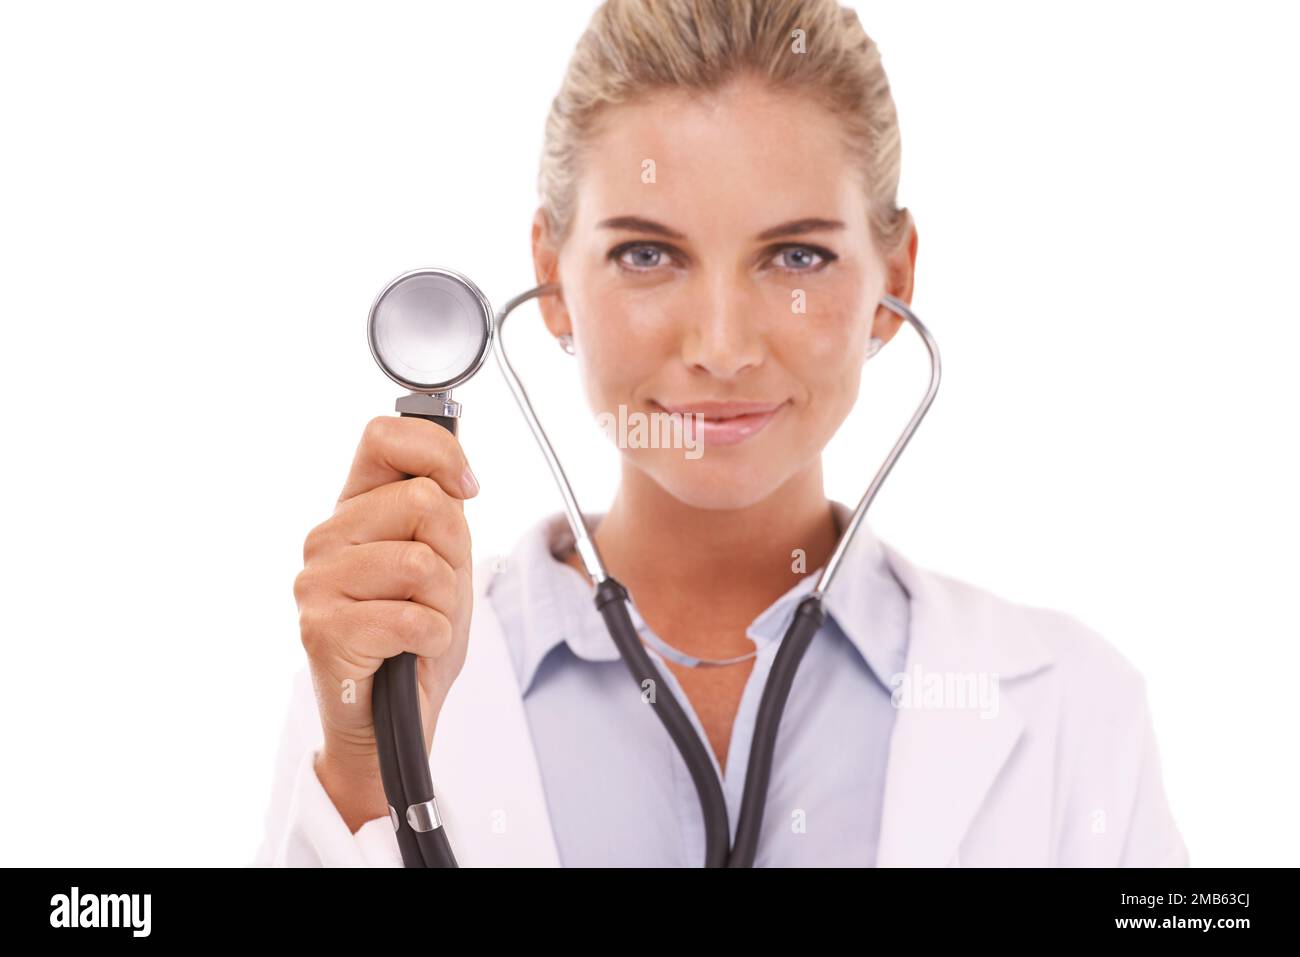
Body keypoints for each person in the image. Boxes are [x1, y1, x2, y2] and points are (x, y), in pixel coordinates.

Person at [256, 0, 1188, 867]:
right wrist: (371, 782)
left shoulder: (1073, 705)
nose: (724, 346)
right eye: (648, 254)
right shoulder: (390, 673)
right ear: (550, 273)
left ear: (893, 279)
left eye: (797, 256)